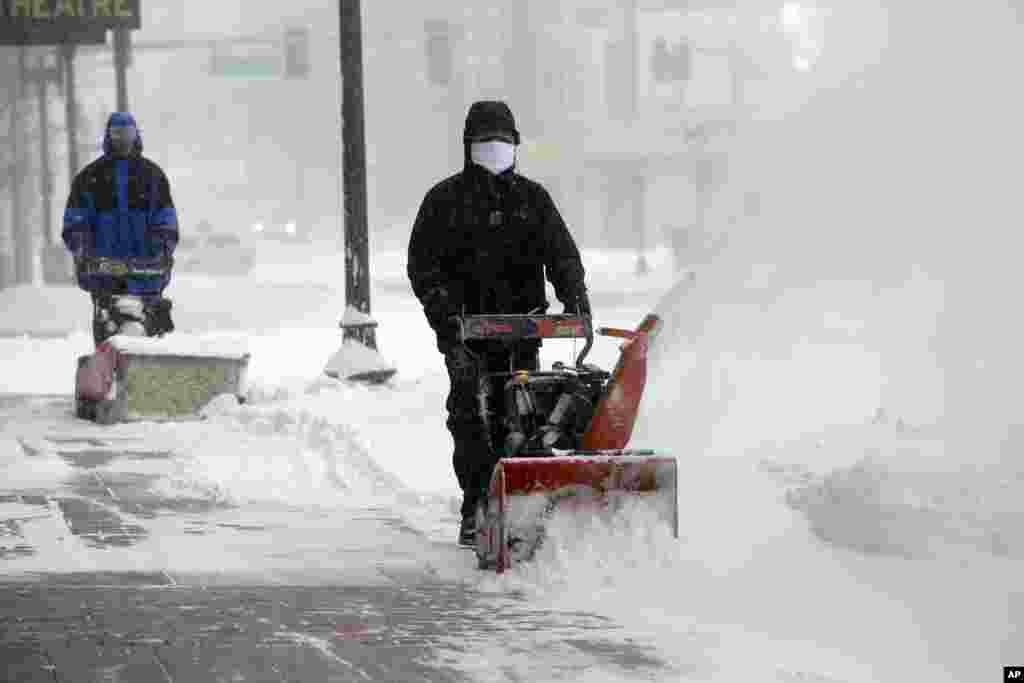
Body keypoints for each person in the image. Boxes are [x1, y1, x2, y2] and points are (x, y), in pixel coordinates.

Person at [407, 100, 591, 546]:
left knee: (525, 413)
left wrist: (576, 299)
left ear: (516, 146)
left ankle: (524, 501)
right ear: (467, 147)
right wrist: (446, 318)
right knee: (471, 415)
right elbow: (422, 266)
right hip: (464, 336)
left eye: (503, 141)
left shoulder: (533, 201)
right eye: (486, 141)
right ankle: (476, 504)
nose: (495, 148)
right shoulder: (444, 202)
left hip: (523, 330)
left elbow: (561, 255)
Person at [62, 112, 179, 345]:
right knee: (107, 330)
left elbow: (166, 218)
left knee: (151, 332)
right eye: (118, 133)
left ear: (136, 135)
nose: (123, 139)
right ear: (109, 136)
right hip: (105, 273)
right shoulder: (89, 178)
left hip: (145, 272)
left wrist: (163, 247)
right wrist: (82, 248)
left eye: (127, 133)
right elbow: (75, 221)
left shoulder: (152, 176)